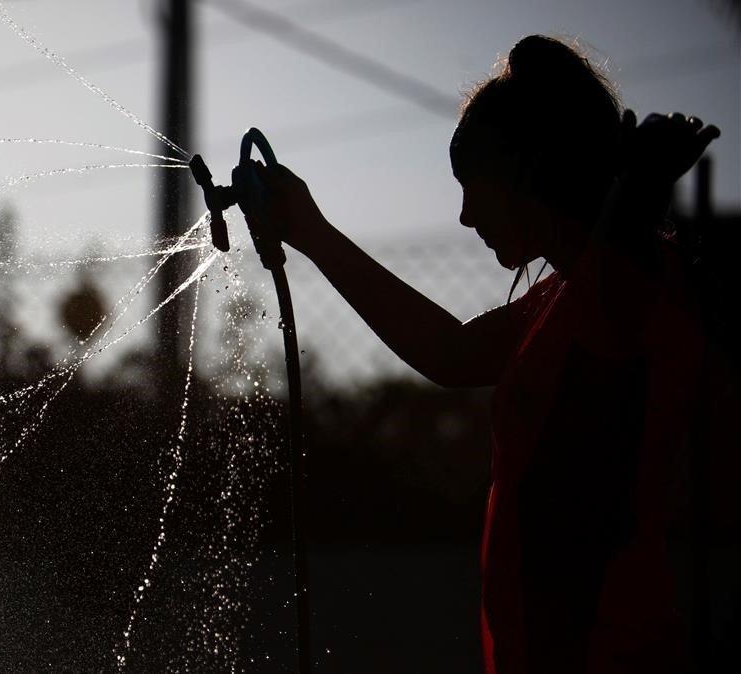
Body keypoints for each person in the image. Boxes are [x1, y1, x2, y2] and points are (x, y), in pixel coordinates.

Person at [245, 35, 721, 673]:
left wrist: (633, 195)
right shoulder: (566, 297)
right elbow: (452, 352)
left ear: (528, 173)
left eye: (474, 187)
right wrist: (309, 229)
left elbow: (623, 276)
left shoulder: (622, 287)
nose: (465, 217)